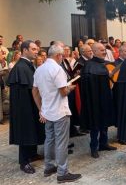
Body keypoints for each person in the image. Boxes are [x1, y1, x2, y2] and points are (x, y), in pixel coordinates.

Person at [32, 44, 82, 183]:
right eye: (62, 55)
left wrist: (40, 108)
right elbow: (63, 91)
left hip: (47, 110)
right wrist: (70, 87)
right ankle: (62, 172)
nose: (63, 58)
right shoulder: (57, 69)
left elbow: (34, 92)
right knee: (61, 142)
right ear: (58, 55)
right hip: (59, 110)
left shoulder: (39, 69)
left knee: (49, 139)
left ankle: (48, 167)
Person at [7, 40, 45, 174]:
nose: (36, 52)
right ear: (24, 50)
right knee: (25, 131)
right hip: (24, 108)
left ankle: (32, 154)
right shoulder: (20, 67)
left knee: (32, 129)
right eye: (33, 49)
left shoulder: (28, 65)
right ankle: (24, 162)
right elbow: (22, 93)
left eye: (37, 49)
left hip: (31, 105)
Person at [80, 42, 117, 159]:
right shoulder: (88, 66)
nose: (104, 51)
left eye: (104, 49)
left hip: (105, 98)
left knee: (104, 122)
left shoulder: (104, 64)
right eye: (101, 50)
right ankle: (94, 147)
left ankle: (103, 143)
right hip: (94, 101)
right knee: (95, 124)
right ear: (94, 52)